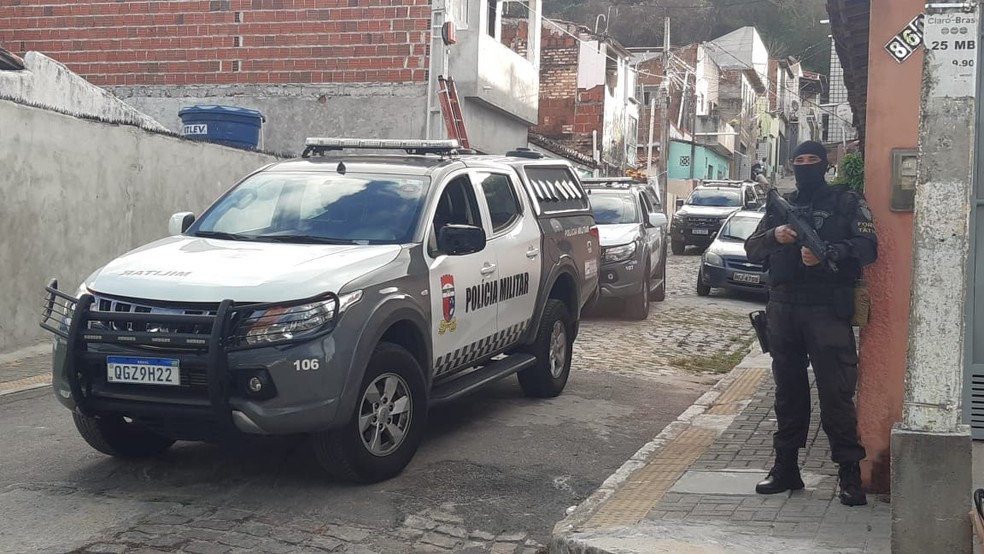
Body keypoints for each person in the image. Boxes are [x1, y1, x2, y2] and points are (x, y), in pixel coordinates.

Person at [744, 140, 877, 507]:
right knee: (788, 393)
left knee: (836, 395)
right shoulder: (781, 206)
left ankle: (849, 473)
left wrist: (831, 252)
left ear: (825, 164)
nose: (805, 166)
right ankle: (785, 467)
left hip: (826, 311)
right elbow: (751, 248)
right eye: (798, 160)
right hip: (784, 310)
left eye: (812, 160)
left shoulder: (847, 201)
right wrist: (776, 235)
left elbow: (869, 247)